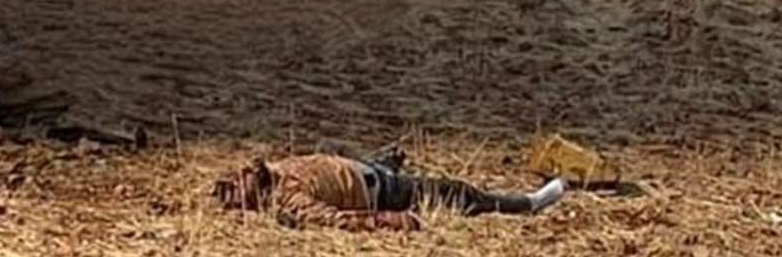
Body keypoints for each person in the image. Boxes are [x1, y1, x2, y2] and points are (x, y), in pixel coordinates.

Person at [211, 144, 567, 231]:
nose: (242, 173)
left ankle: (383, 160)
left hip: (361, 167)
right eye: (236, 185)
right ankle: (527, 203)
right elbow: (339, 220)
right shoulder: (290, 201)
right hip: (384, 191)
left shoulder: (272, 172)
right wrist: (388, 220)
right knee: (458, 193)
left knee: (339, 150)